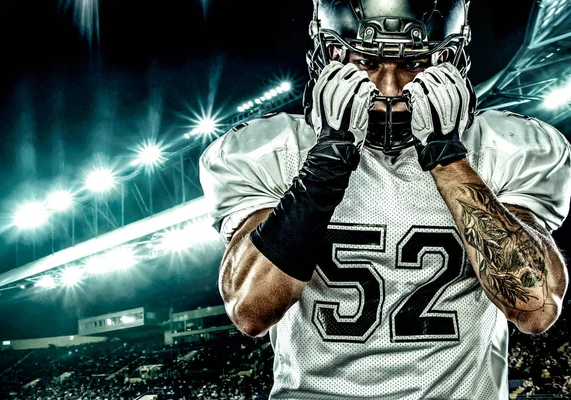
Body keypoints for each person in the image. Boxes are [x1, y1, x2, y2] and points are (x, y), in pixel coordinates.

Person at [198, 0, 571, 399]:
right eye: (367, 62)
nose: (389, 88)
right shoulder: (273, 151)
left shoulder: (503, 147)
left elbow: (535, 308)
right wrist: (326, 162)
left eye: (413, 63)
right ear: (330, 54)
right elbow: (250, 312)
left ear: (449, 60)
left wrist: (447, 157)